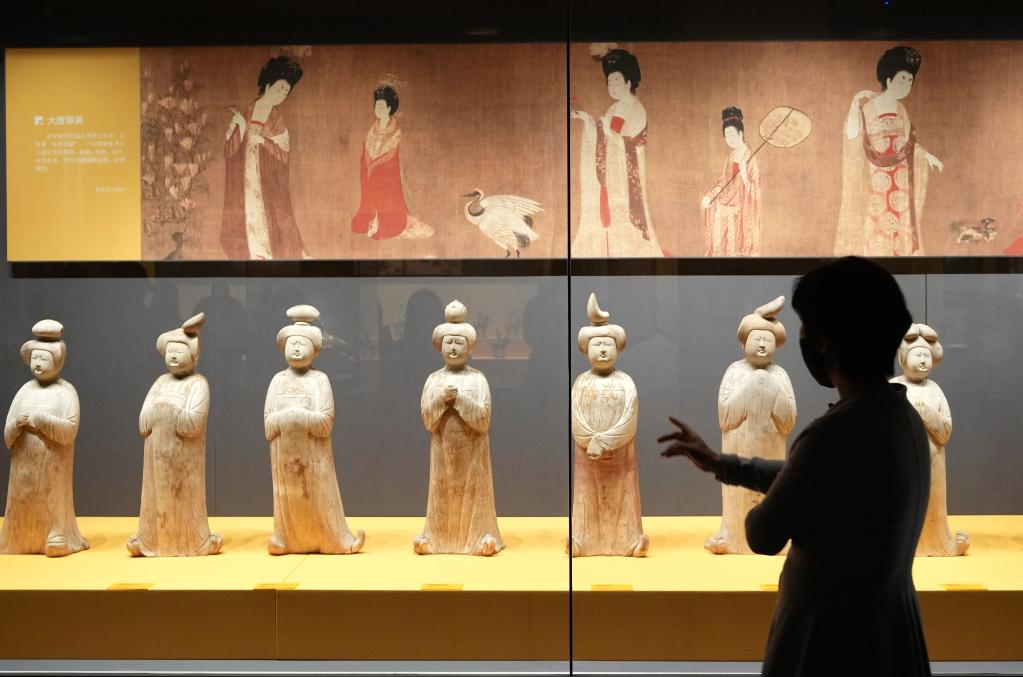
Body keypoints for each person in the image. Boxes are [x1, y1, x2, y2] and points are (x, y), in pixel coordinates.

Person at [659, 256, 931, 677]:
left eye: (806, 327)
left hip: (831, 640)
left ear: (826, 342)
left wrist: (761, 508)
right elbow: (818, 482)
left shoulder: (837, 431)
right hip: (883, 629)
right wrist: (724, 464)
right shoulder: (899, 414)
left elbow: (764, 532)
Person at [264, 305, 364, 555]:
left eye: (302, 344)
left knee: (317, 495)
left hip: (314, 456)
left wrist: (296, 416)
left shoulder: (320, 381)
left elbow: (325, 423)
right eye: (292, 344)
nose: (296, 348)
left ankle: (331, 539)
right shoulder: (277, 381)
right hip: (284, 456)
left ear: (315, 350)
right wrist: (289, 418)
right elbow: (268, 425)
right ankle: (284, 538)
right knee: (287, 496)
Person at [835, 46, 943, 257]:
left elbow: (909, 144)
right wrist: (855, 102)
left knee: (901, 225)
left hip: (901, 181)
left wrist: (926, 155)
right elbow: (852, 135)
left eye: (909, 80)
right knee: (876, 223)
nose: (905, 85)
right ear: (889, 79)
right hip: (876, 180)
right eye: (902, 79)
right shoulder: (868, 107)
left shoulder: (901, 109)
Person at [128, 313, 222, 557]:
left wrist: (164, 412)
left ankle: (192, 541)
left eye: (179, 351)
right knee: (155, 498)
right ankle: (150, 539)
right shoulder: (160, 383)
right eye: (170, 351)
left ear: (194, 355)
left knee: (184, 498)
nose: (173, 356)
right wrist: (164, 413)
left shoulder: (198, 384)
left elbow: (192, 424)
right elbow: (143, 423)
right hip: (156, 458)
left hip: (184, 460)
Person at [415, 300, 503, 556]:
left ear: (469, 347)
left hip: (473, 454)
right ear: (440, 346)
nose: (453, 348)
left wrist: (460, 399)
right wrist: (442, 400)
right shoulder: (434, 380)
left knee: (473, 495)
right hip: (442, 451)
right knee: (442, 493)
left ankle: (477, 538)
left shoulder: (477, 379)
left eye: (459, 343)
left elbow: (483, 420)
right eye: (449, 342)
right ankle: (437, 538)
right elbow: (427, 420)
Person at [1, 320, 89, 557]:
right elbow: (7, 437)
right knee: (22, 499)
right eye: (35, 358)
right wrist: (16, 424)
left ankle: (56, 535)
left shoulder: (66, 392)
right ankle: (17, 537)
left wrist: (41, 420)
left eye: (44, 358)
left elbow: (69, 431)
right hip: (23, 468)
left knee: (52, 499)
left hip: (52, 466)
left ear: (58, 361)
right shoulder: (24, 391)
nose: (38, 363)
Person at [571, 45, 664, 257]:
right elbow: (601, 136)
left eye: (617, 81)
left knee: (624, 217)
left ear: (628, 82)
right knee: (610, 216)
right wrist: (587, 119)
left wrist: (610, 135)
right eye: (609, 82)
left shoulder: (636, 109)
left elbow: (631, 143)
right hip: (612, 174)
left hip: (626, 176)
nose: (612, 86)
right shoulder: (613, 109)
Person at [221, 56, 307, 260]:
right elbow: (231, 147)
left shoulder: (277, 118)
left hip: (267, 177)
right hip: (245, 172)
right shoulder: (249, 109)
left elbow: (283, 153)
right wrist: (239, 125)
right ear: (268, 85)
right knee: (248, 208)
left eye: (285, 92)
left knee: (268, 211)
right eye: (279, 88)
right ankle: (253, 251)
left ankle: (268, 251)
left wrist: (264, 142)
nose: (282, 94)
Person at [350, 85, 433, 241]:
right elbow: (367, 151)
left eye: (382, 106)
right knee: (358, 224)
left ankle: (385, 221)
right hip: (371, 172)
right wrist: (369, 164)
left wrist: (380, 166)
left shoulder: (396, 130)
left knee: (385, 194)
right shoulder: (373, 129)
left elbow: (395, 157)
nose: (379, 109)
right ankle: (371, 217)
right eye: (377, 106)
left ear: (389, 108)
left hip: (388, 178)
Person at [702, 107, 761, 256]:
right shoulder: (730, 158)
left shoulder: (750, 159)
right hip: (723, 212)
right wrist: (710, 196)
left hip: (739, 215)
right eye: (727, 136)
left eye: (732, 135)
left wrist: (745, 177)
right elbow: (722, 183)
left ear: (740, 133)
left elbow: (757, 195)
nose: (730, 139)